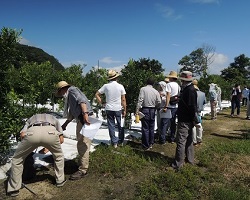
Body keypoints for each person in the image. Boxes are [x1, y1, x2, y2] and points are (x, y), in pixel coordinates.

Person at [7, 113, 65, 197]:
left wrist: (28, 148)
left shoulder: (31, 119)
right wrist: (48, 147)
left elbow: (22, 134)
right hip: (51, 133)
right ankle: (60, 181)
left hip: (32, 133)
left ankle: (14, 189)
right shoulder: (53, 118)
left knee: (17, 159)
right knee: (59, 156)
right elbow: (61, 140)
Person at [55, 81, 93, 180]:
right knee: (82, 143)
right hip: (83, 119)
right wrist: (65, 124)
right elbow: (72, 112)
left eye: (61, 92)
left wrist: (85, 114)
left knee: (83, 144)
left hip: (85, 119)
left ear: (63, 89)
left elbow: (82, 100)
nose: (61, 95)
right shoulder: (70, 97)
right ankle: (83, 164)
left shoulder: (72, 90)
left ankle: (83, 170)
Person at [172, 71, 198, 170]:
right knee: (189, 140)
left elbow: (192, 106)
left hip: (185, 119)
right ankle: (190, 159)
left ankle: (178, 163)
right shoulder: (188, 89)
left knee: (181, 141)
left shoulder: (189, 90)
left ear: (183, 80)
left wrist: (193, 119)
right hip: (188, 119)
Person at [95, 70, 127, 147]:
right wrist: (125, 109)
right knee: (120, 125)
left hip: (109, 108)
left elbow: (97, 94)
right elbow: (123, 99)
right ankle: (120, 141)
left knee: (111, 125)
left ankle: (114, 142)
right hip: (118, 108)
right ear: (116, 78)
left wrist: (102, 103)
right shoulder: (120, 86)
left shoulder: (105, 86)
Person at [135, 77, 161, 150]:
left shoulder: (143, 89)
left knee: (145, 128)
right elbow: (159, 101)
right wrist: (156, 107)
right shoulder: (156, 91)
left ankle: (145, 145)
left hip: (145, 109)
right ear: (153, 83)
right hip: (152, 110)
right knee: (151, 127)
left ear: (146, 82)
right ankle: (151, 143)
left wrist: (137, 110)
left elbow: (140, 100)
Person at [161, 71, 180, 144]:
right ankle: (172, 138)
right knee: (173, 123)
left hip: (169, 106)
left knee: (164, 122)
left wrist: (166, 106)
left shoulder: (169, 85)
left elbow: (168, 95)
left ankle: (163, 139)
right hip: (175, 106)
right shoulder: (178, 85)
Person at [192, 79, 206, 146]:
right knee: (199, 125)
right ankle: (199, 139)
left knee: (193, 126)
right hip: (199, 111)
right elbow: (204, 102)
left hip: (193, 111)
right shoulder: (203, 94)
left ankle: (194, 140)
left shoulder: (192, 93)